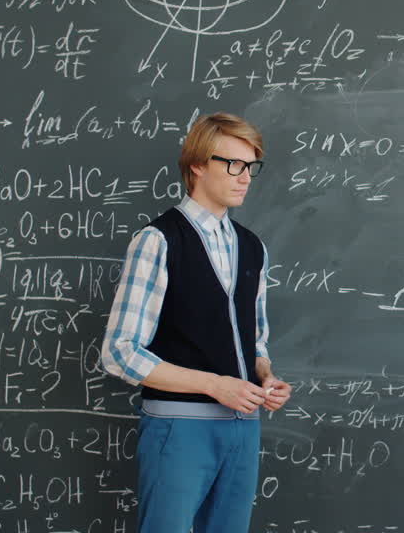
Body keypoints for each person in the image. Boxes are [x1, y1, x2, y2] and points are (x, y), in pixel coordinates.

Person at [101, 112, 291, 533]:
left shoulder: (252, 247)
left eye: (251, 166)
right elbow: (119, 352)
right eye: (233, 164)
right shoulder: (159, 240)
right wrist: (213, 384)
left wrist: (266, 377)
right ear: (197, 166)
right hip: (180, 426)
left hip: (243, 429)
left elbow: (253, 340)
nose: (244, 177)